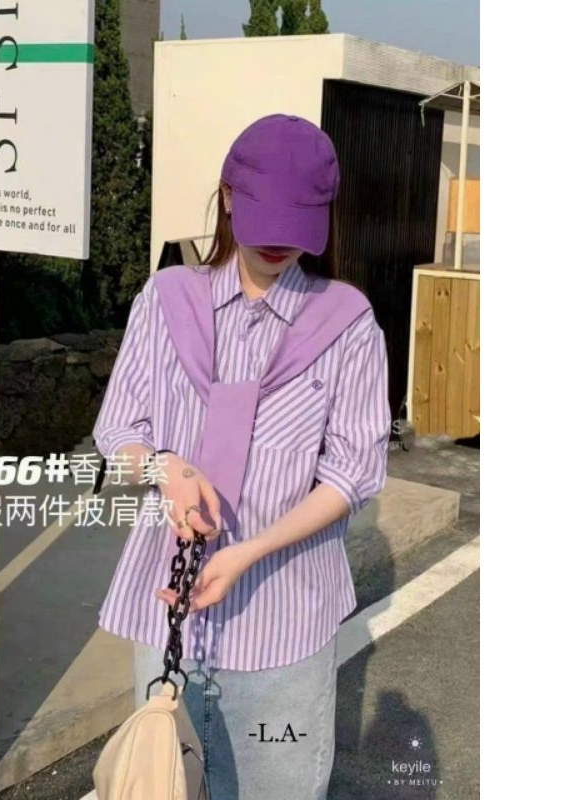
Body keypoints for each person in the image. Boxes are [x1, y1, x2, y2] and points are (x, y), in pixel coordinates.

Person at [92, 113, 391, 800]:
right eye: (266, 219)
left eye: (297, 222)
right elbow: (119, 431)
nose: (279, 242)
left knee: (277, 786)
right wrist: (168, 468)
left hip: (283, 625)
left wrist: (249, 552)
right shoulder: (166, 301)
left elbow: (352, 471)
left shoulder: (346, 324)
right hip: (170, 614)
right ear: (228, 197)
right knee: (165, 784)